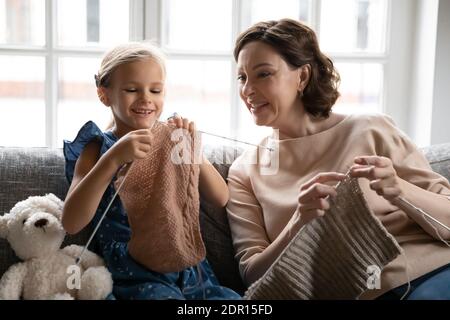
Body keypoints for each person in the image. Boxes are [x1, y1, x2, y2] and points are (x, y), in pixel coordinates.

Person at [226, 18, 450, 300]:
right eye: (242, 77)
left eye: (263, 74)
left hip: (433, 271)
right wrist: (298, 222)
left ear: (303, 77)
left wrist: (400, 190)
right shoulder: (244, 171)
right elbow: (252, 273)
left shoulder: (371, 127)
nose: (247, 90)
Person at [62, 42, 240, 300]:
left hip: (186, 263)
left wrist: (191, 150)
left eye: (155, 90)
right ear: (104, 94)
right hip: (135, 269)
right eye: (132, 89)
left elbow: (221, 197)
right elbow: (71, 221)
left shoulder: (170, 139)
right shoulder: (98, 147)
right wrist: (112, 160)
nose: (146, 98)